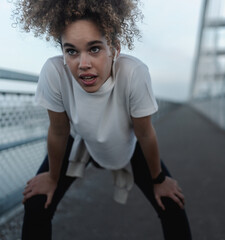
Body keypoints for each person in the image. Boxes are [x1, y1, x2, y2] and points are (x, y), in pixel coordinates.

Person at [13, 0, 192, 239]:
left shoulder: (134, 73)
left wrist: (159, 179)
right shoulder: (54, 72)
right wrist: (52, 178)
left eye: (94, 49)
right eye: (71, 51)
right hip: (80, 140)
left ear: (115, 49)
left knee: (172, 205)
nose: (83, 64)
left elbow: (145, 133)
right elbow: (58, 132)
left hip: (125, 143)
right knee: (36, 203)